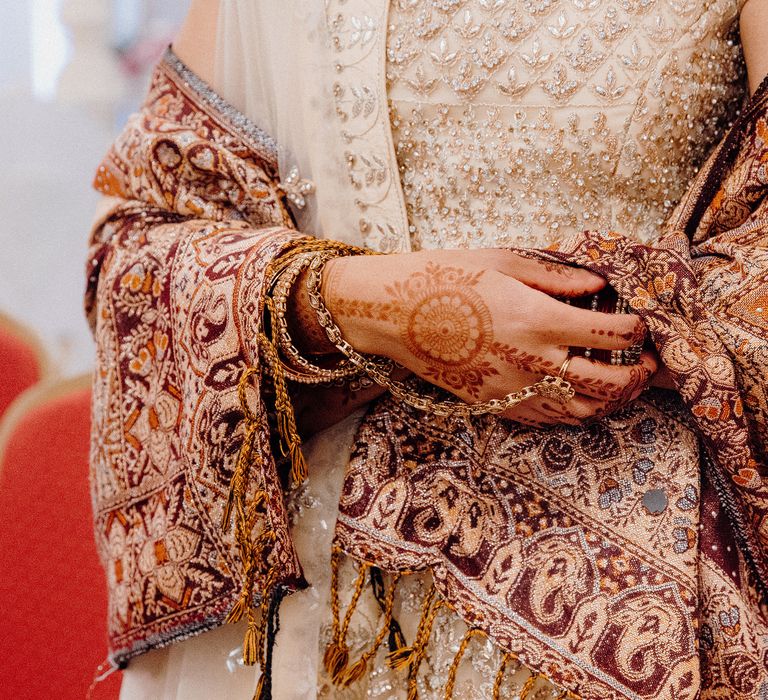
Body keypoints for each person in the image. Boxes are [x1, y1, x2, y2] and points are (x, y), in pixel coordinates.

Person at [86, 1, 768, 698]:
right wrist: (378, 308)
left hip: (645, 603)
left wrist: (611, 315)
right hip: (338, 603)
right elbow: (139, 252)